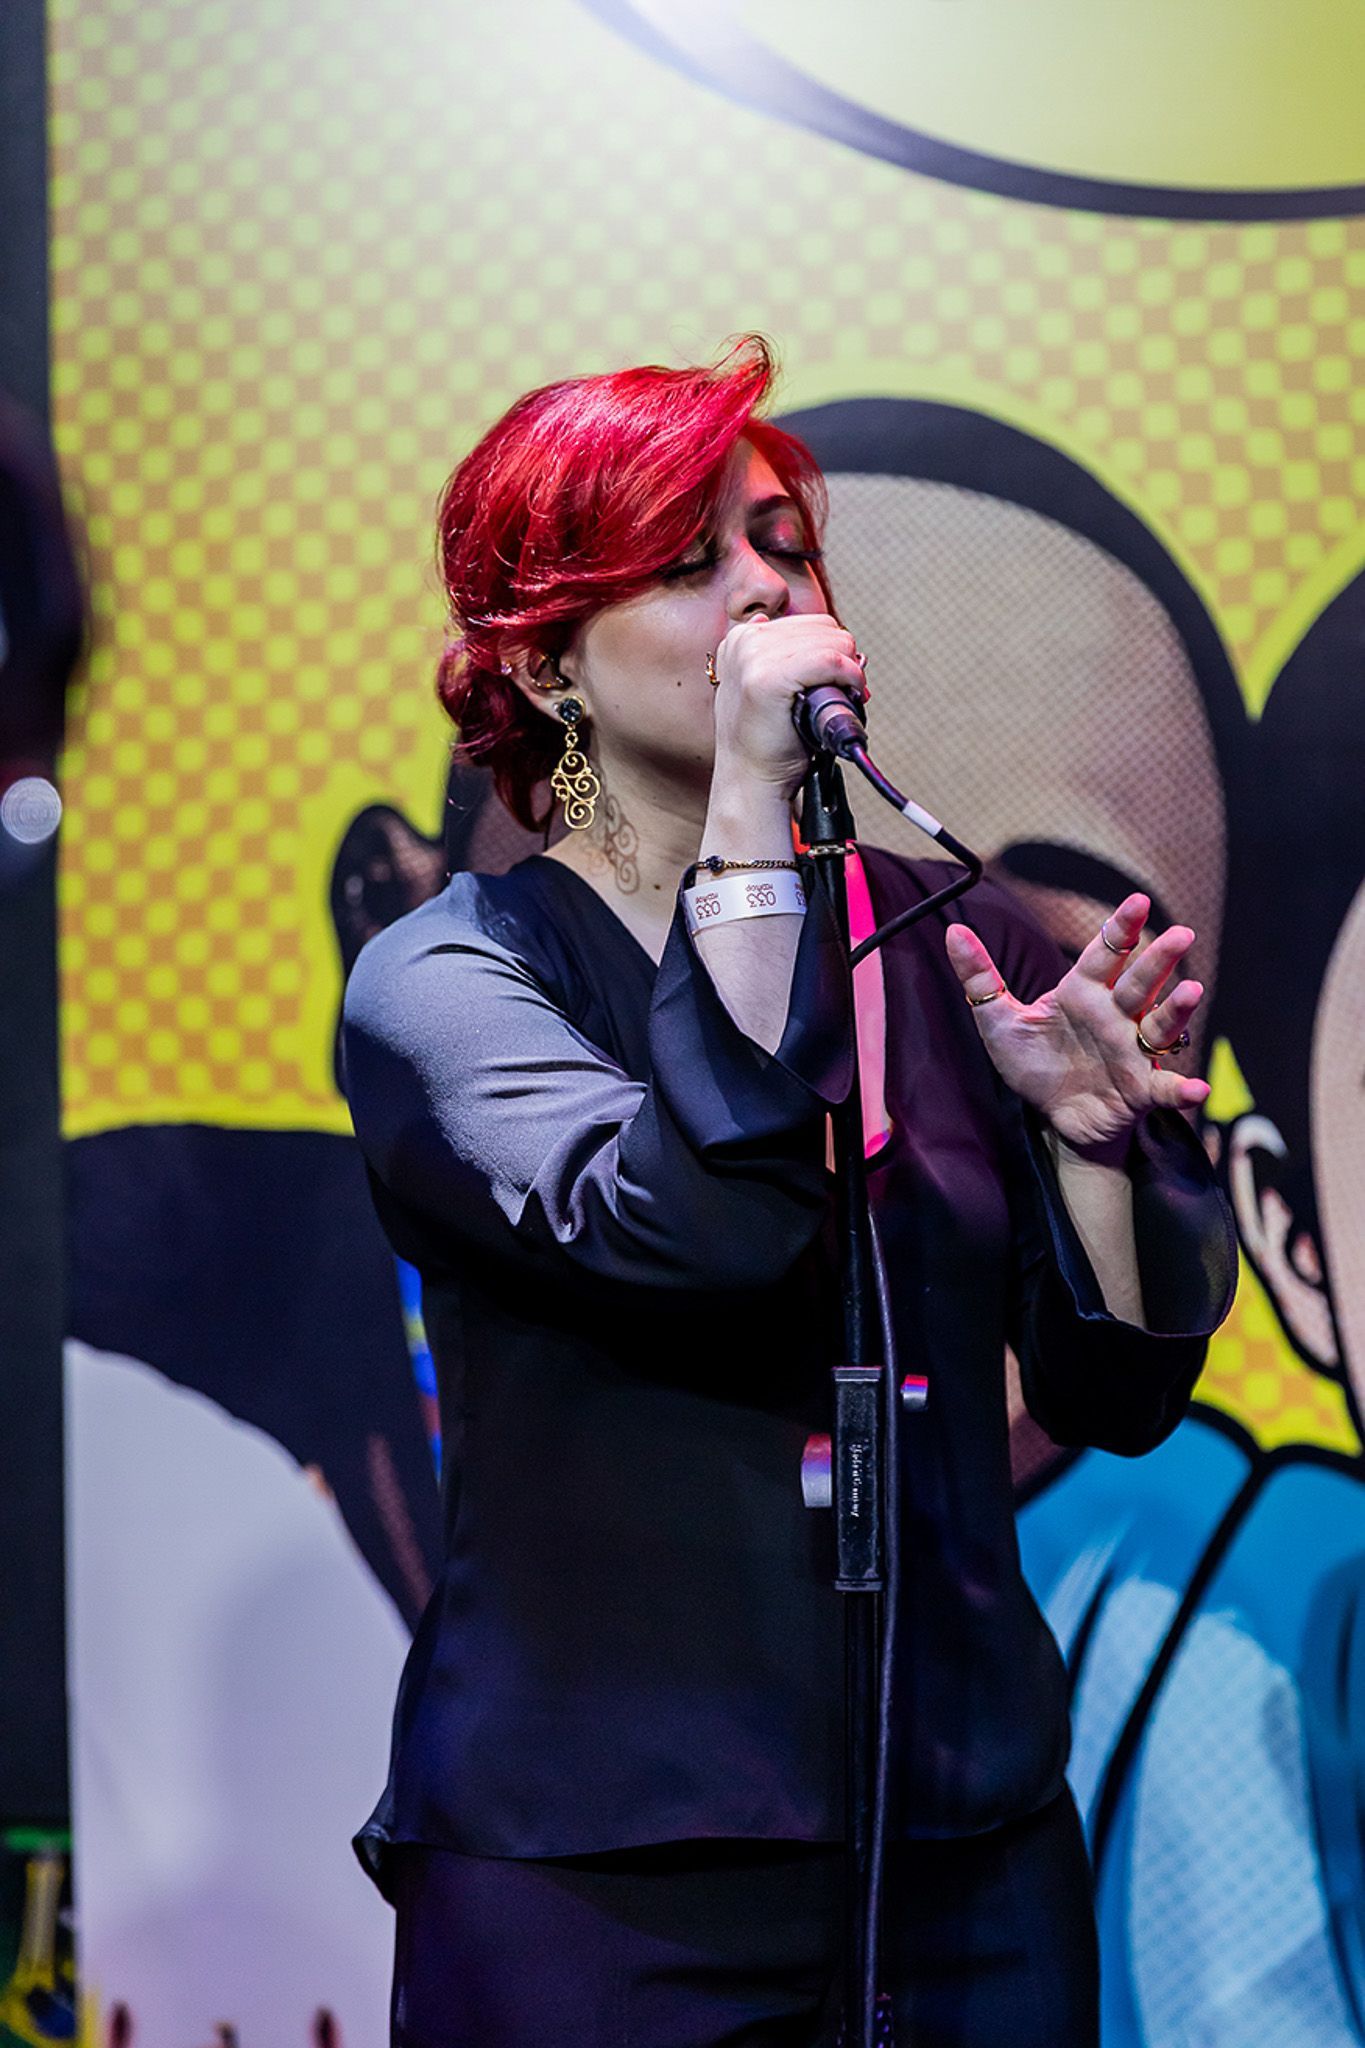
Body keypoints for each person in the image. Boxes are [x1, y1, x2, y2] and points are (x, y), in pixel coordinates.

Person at [341, 337, 1236, 2048]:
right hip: (608, 1873)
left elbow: (1109, 1394)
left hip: (964, 1844)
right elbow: (698, 1223)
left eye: (781, 545)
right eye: (688, 566)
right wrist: (754, 801)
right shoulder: (451, 985)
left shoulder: (949, 939)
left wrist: (1091, 1149)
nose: (764, 591)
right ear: (545, 667)